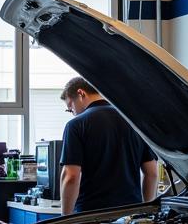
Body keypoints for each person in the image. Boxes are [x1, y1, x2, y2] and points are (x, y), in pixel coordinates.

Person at [58, 76, 157, 216]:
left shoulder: (76, 125)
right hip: (130, 215)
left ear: (81, 94)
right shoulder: (135, 121)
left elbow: (71, 177)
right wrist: (146, 212)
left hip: (91, 215)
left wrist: (65, 218)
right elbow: (152, 173)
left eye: (70, 108)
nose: (73, 113)